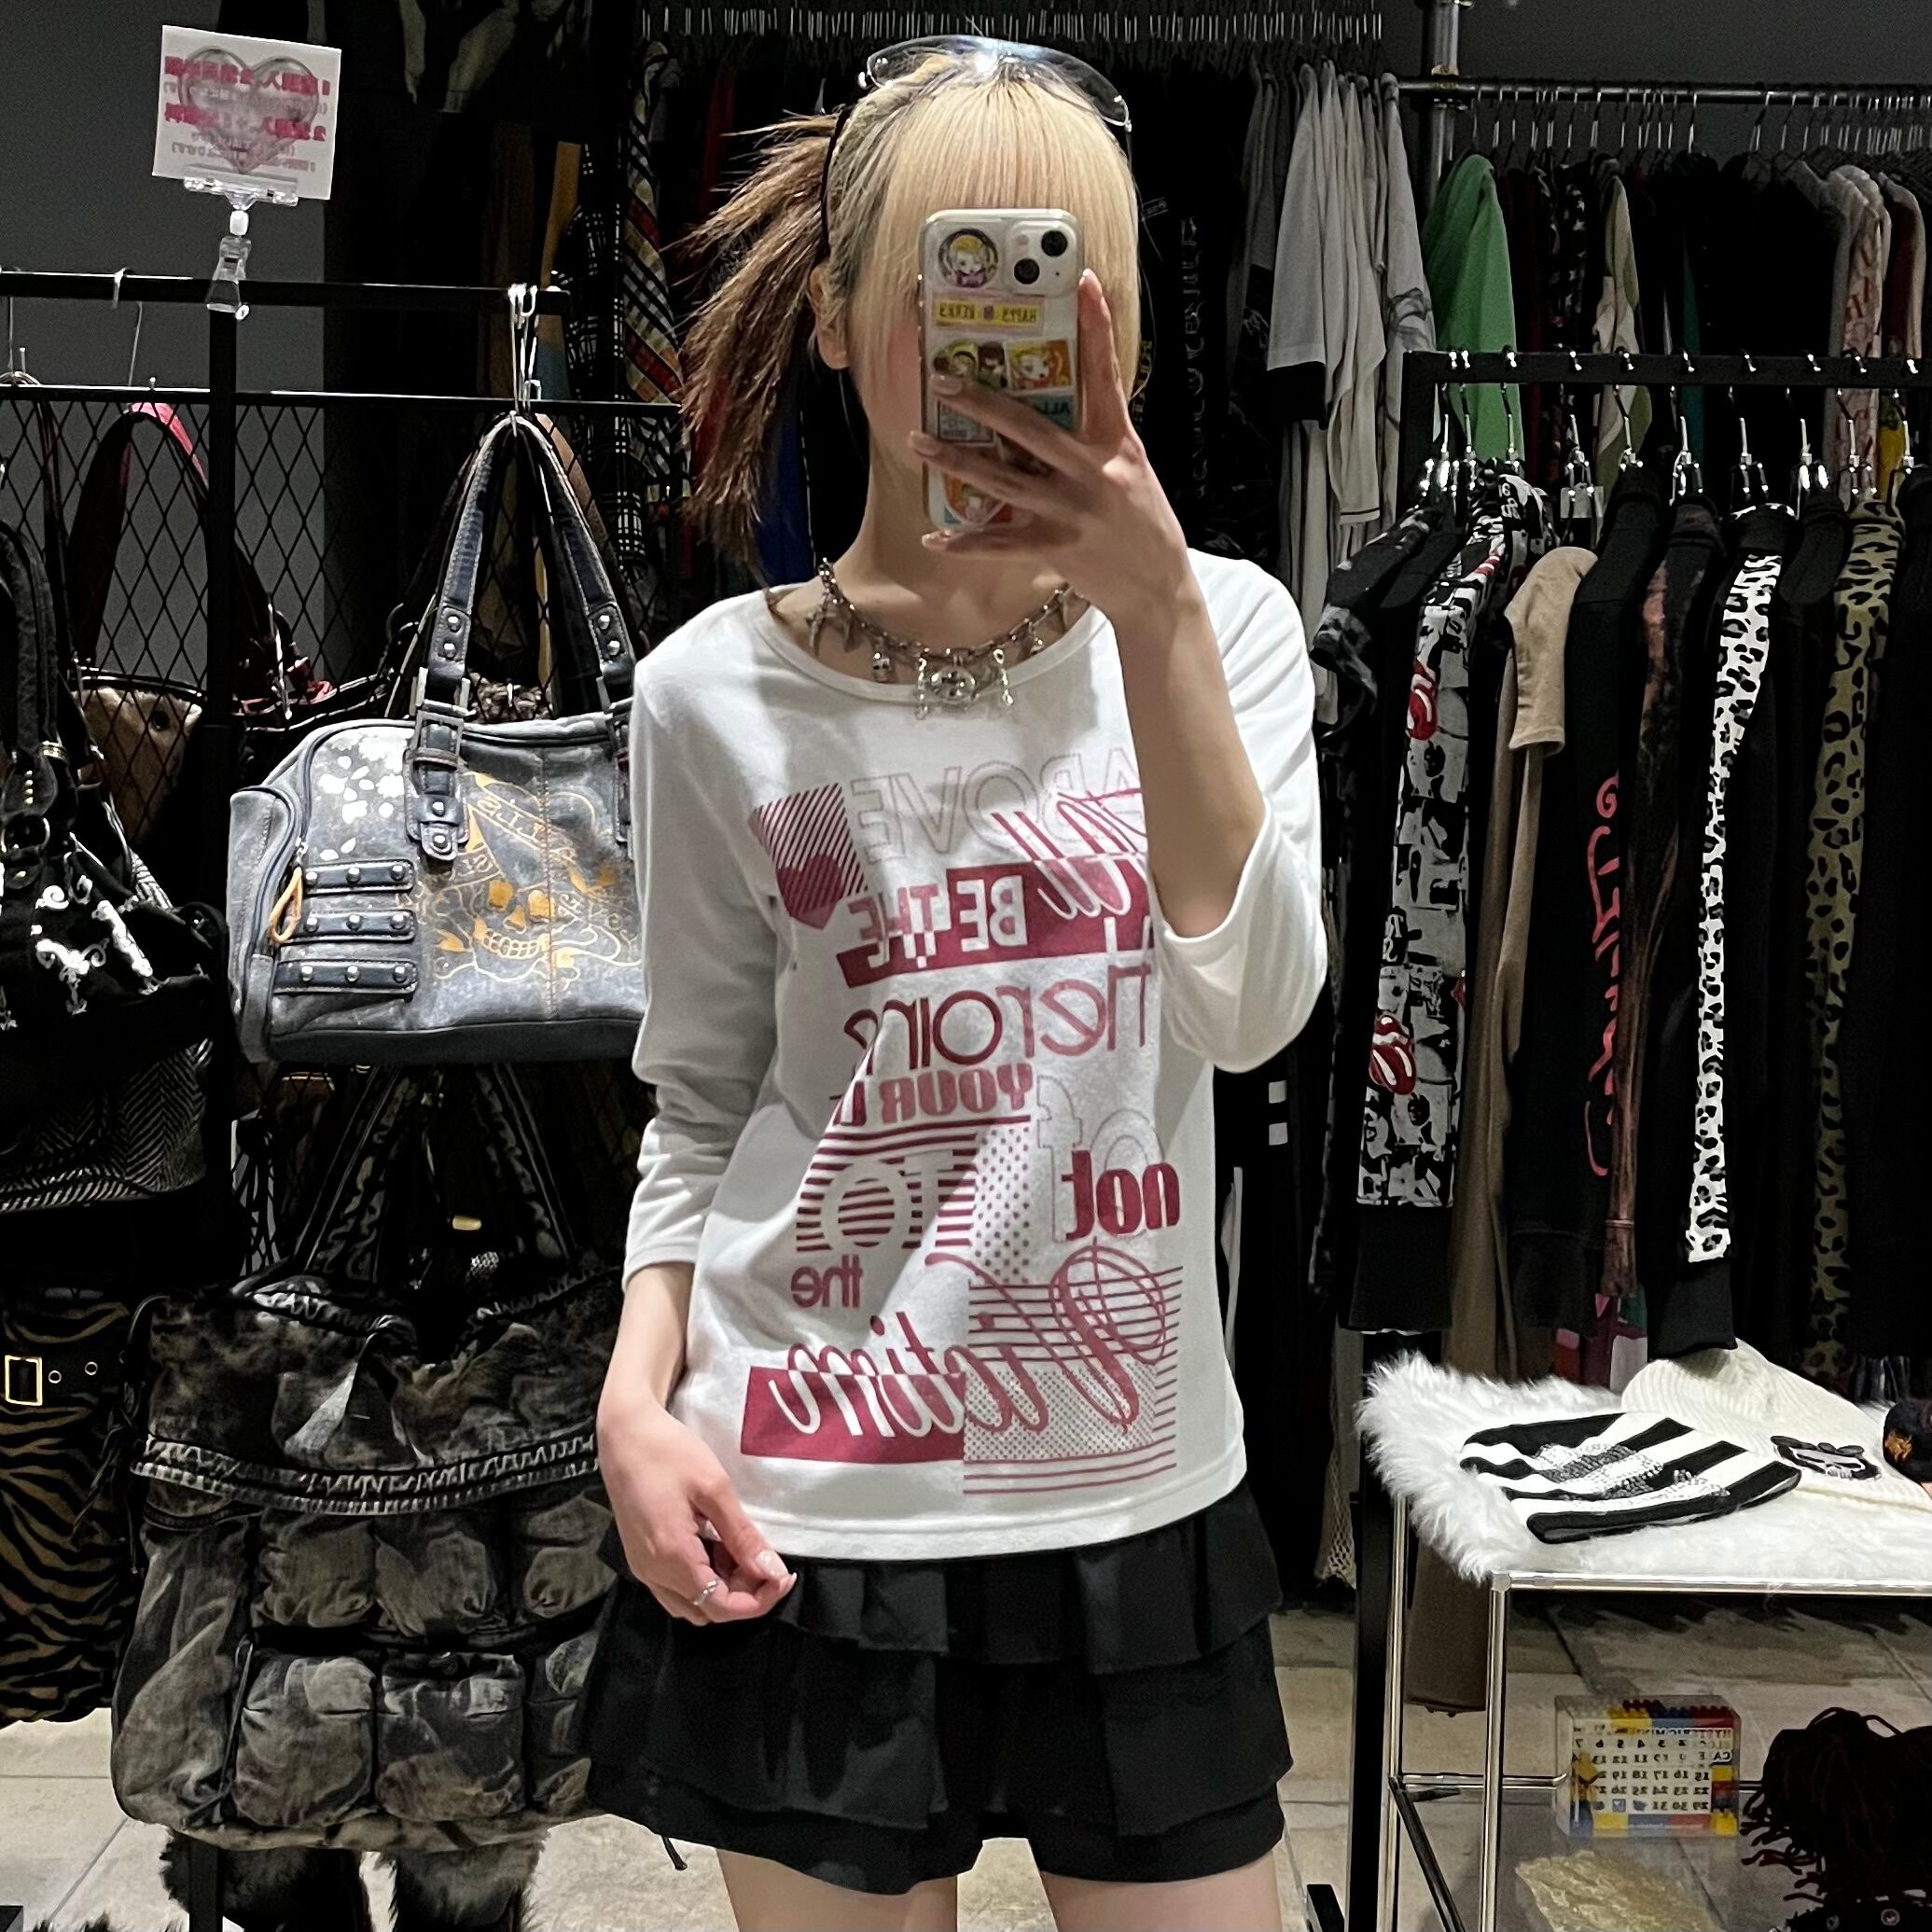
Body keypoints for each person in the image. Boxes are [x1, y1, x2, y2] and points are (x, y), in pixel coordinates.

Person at [585, 37, 1326, 1932]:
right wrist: (635, 1397)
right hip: (810, 1497)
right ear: (838, 320)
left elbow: (1251, 1010)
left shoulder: (1226, 630)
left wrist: (1151, 610)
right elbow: (702, 1098)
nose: (997, 342)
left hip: (1132, 1484)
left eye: (1055, 281)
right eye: (949, 281)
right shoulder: (708, 693)